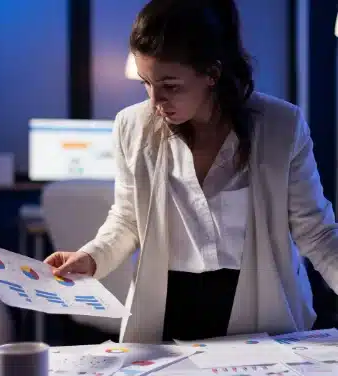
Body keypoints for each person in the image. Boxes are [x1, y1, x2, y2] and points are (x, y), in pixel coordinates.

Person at [44, 0, 338, 344]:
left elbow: (316, 233)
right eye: (146, 83)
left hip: (260, 305)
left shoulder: (280, 126)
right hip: (169, 307)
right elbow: (127, 220)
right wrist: (90, 258)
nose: (156, 101)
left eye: (171, 86)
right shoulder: (132, 126)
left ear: (212, 74)